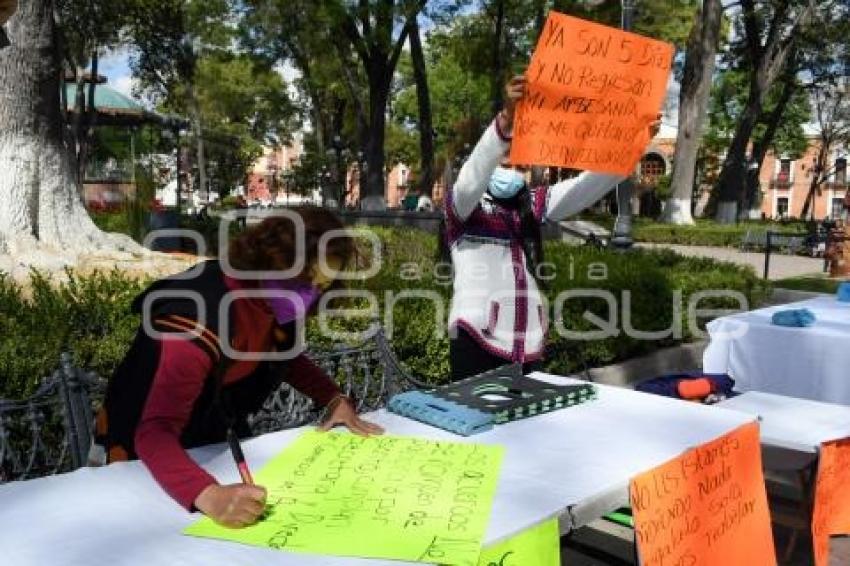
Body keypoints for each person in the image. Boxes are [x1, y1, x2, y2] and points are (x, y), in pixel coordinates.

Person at [93, 207, 383, 528]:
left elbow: (281, 357)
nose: (307, 296)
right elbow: (154, 432)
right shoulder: (196, 317)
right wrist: (209, 495)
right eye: (303, 279)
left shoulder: (270, 301)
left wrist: (333, 398)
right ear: (270, 256)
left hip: (206, 443)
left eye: (320, 286)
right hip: (137, 459)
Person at [445, 75, 661, 381]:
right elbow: (474, 173)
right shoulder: (463, 206)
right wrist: (507, 118)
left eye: (520, 166)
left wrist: (635, 143)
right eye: (505, 163)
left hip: (528, 344)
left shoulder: (529, 204)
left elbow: (583, 188)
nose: (513, 172)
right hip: (476, 341)